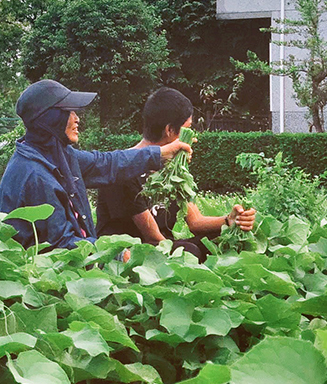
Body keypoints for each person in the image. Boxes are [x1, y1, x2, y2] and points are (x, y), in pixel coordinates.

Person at [0, 79, 192, 250]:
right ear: (50, 119)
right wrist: (114, 254)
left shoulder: (56, 155)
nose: (77, 118)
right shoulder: (35, 175)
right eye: (69, 112)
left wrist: (159, 154)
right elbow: (61, 245)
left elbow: (106, 164)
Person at [95, 87, 256, 262]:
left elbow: (195, 222)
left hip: (160, 247)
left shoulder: (173, 168)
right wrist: (184, 257)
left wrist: (229, 220)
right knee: (190, 251)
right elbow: (153, 238)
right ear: (169, 130)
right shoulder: (124, 170)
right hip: (129, 254)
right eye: (187, 130)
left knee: (216, 241)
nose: (193, 139)